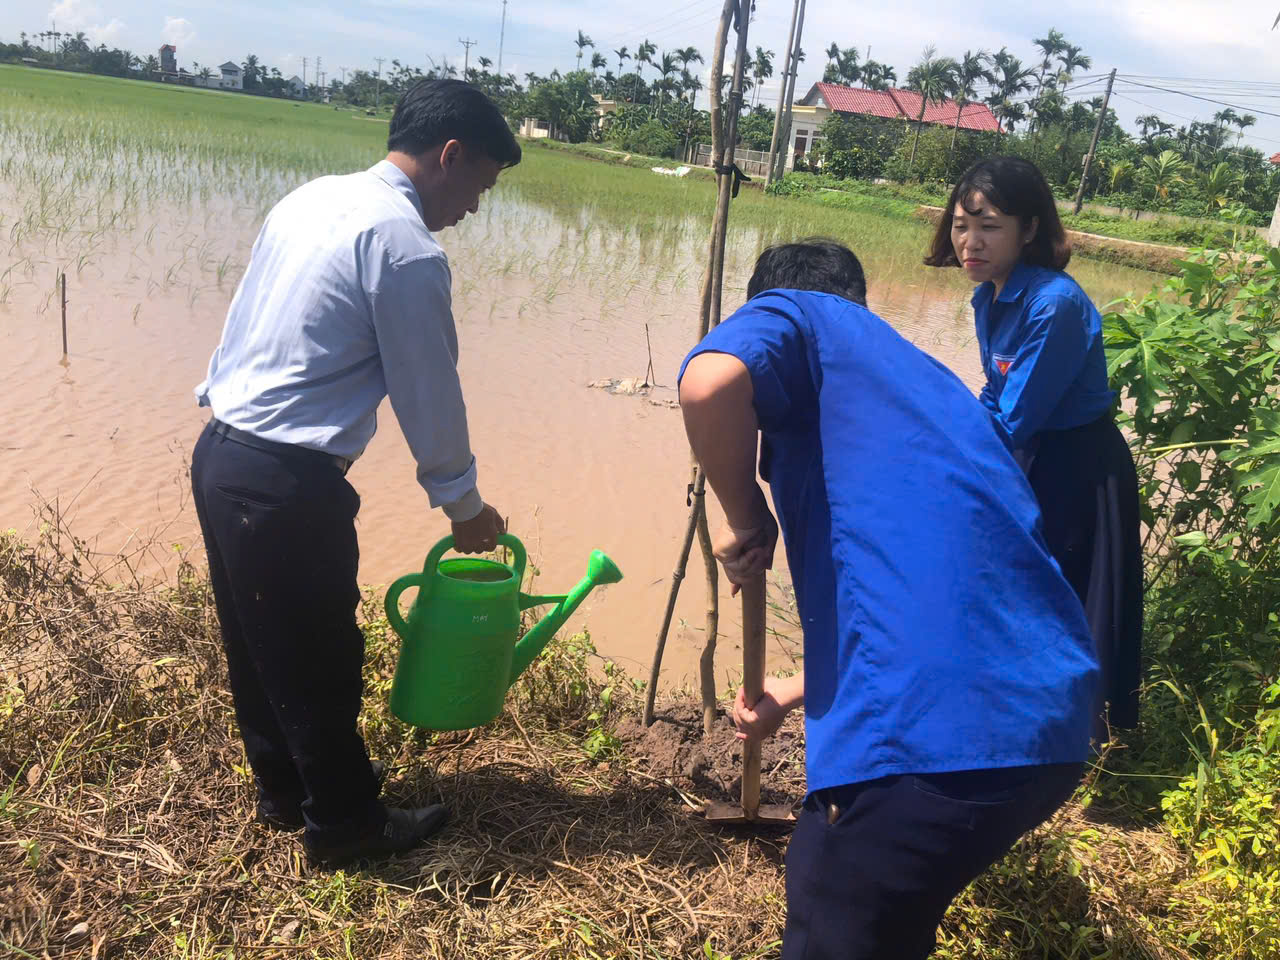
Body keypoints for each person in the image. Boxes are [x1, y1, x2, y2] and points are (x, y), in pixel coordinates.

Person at [677, 239, 1099, 959]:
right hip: (1046, 733)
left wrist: (746, 513)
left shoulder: (799, 313)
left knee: (834, 912)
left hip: (931, 753)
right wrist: (798, 689)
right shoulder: (925, 388)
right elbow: (948, 598)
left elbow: (709, 384)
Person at [190, 79, 519, 867]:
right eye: (481, 182)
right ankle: (345, 829)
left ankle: (283, 792)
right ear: (450, 155)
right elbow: (428, 391)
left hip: (222, 451)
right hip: (285, 481)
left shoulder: (313, 199)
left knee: (262, 644)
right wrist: (464, 505)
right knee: (321, 657)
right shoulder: (404, 245)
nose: (474, 205)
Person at [924, 156, 1142, 734]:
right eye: (960, 224)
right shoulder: (991, 294)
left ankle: (1065, 741)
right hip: (1030, 453)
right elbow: (995, 397)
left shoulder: (1054, 304)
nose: (970, 241)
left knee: (1065, 600)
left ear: (1030, 229)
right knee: (1018, 589)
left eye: (989, 226)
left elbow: (1013, 417)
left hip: (1078, 468)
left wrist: (928, 444)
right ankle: (1014, 717)